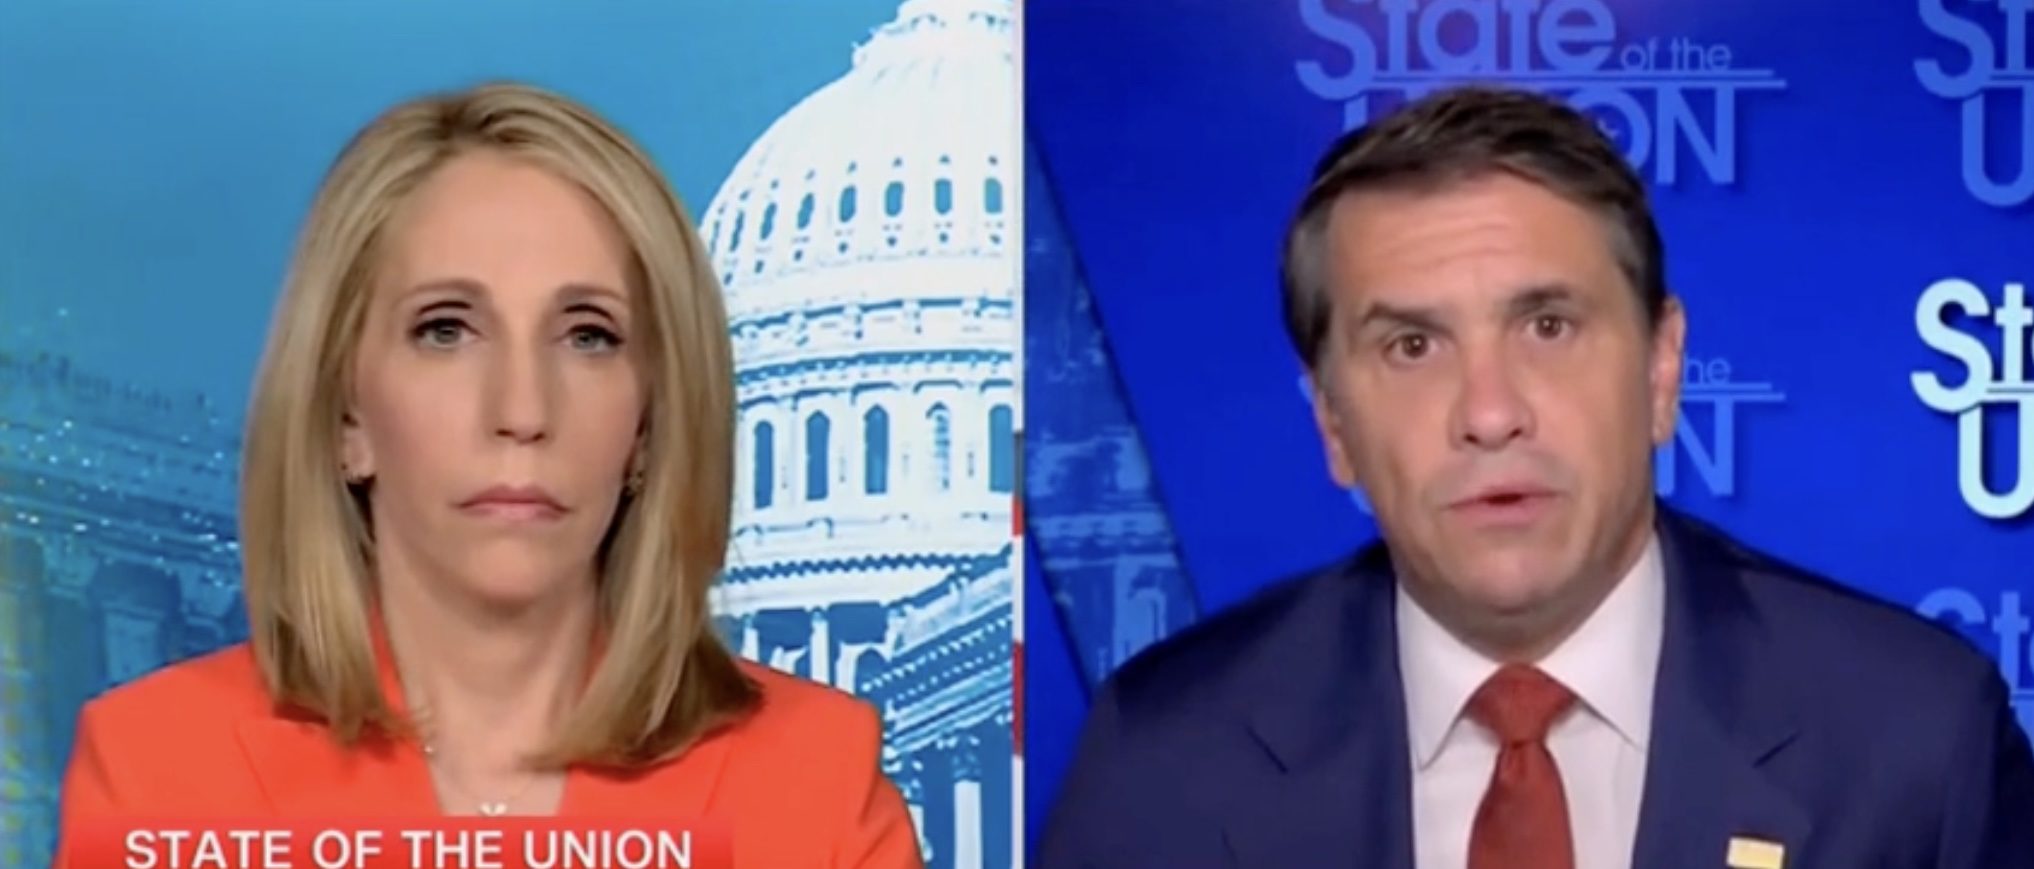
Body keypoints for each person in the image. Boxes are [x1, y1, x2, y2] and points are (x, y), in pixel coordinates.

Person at [1038, 85, 2034, 869]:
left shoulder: (1913, 736)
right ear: (1333, 423)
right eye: (1413, 345)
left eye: (1548, 326)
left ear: (1661, 369)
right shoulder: (1167, 758)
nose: (1489, 411)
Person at [54, 81, 923, 868]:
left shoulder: (817, 785)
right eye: (445, 329)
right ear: (346, 417)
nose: (522, 409)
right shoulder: (158, 773)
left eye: (589, 336)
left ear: (650, 425)